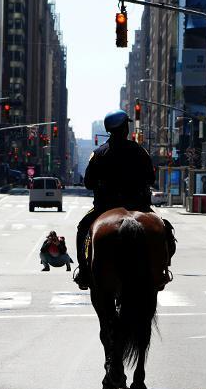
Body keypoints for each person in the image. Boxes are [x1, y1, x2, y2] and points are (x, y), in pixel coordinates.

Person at [74, 109, 174, 290]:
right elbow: (150, 179)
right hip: (139, 205)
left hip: (104, 207)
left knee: (83, 229)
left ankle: (83, 272)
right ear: (125, 129)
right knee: (165, 229)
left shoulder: (98, 154)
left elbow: (88, 183)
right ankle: (162, 270)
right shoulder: (139, 151)